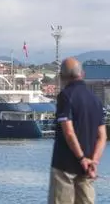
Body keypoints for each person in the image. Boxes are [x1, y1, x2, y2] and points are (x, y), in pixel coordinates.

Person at [48, 57, 107, 204]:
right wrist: (93, 161)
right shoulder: (95, 100)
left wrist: (81, 159)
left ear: (61, 77)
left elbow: (68, 132)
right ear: (83, 74)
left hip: (64, 167)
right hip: (87, 169)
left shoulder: (65, 96)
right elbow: (102, 136)